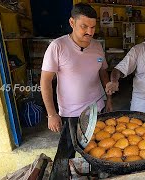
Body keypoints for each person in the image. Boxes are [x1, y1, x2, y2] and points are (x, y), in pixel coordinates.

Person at [41, 3, 112, 134]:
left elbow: (103, 72)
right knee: (69, 151)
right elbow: (45, 81)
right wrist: (51, 114)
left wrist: (108, 99)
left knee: (98, 149)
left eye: (93, 27)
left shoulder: (97, 46)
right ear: (72, 22)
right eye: (84, 26)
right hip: (71, 114)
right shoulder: (58, 46)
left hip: (97, 109)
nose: (90, 32)